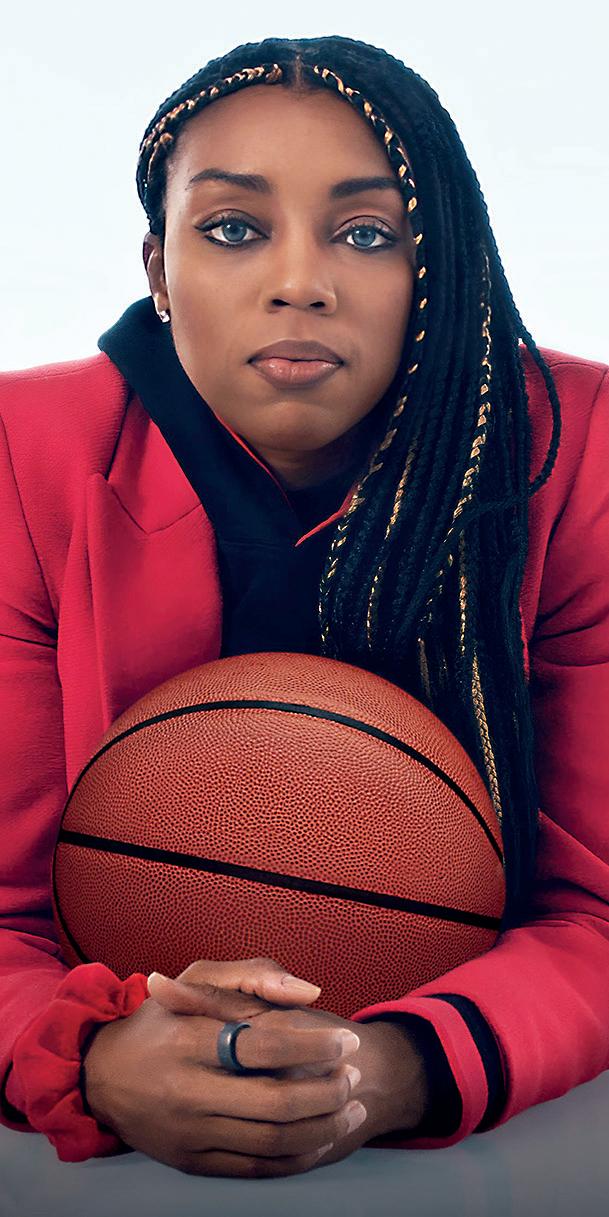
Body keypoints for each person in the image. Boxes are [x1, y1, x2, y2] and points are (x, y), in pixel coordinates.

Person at [0, 33, 608, 1181]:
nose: (300, 281)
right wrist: (91, 1058)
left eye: (367, 232)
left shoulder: (574, 455)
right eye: (234, 226)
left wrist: (392, 1068)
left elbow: (600, 911)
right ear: (159, 268)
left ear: (439, 266)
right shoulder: (22, 458)